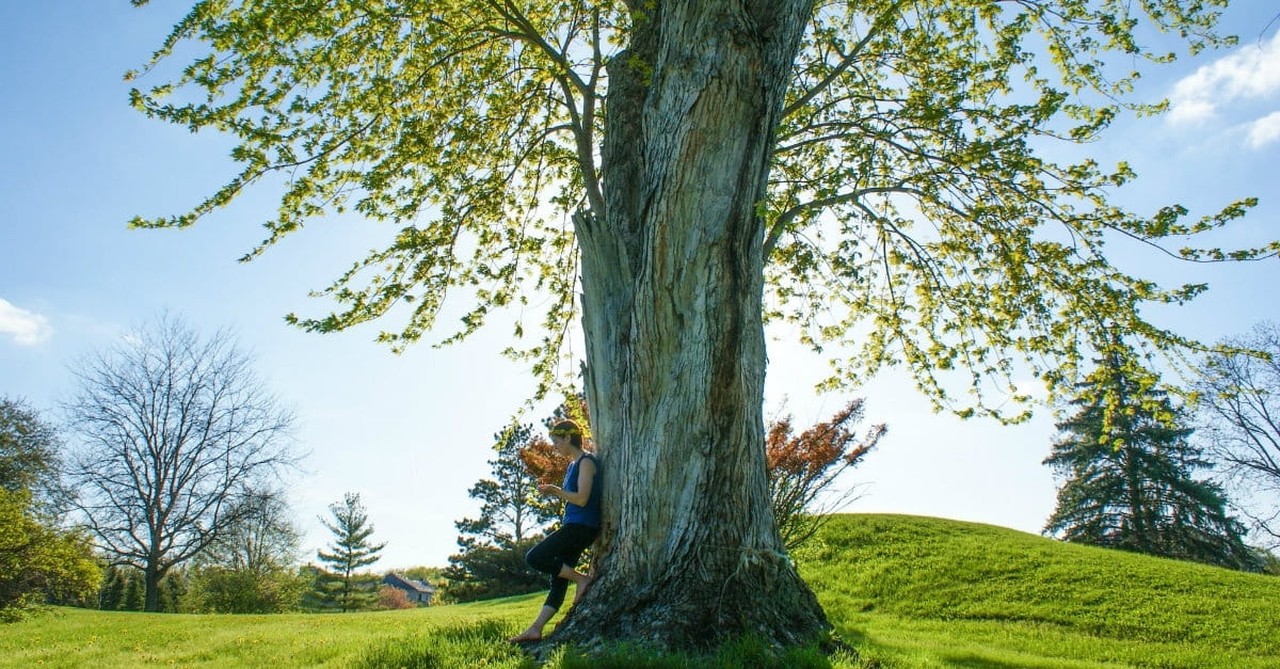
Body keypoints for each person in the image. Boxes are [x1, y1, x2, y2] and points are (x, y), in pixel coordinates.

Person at [508, 419, 601, 644]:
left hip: (582, 527)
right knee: (558, 578)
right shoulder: (571, 466)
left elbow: (582, 498)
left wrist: (555, 491)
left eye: (557, 441)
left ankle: (581, 579)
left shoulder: (586, 462)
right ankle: (536, 629)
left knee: (535, 557)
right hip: (573, 526)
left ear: (569, 438)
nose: (555, 446)